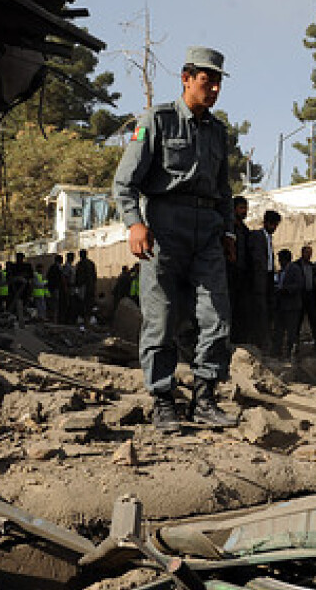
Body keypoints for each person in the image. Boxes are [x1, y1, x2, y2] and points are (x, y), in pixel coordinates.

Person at [112, 45, 238, 433]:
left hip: (208, 231)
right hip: (165, 227)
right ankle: (163, 400)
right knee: (160, 316)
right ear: (186, 79)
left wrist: (229, 229)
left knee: (216, 317)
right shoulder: (158, 120)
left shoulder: (218, 132)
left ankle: (204, 399)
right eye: (206, 80)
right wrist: (134, 223)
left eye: (218, 82)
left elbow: (224, 188)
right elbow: (125, 182)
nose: (214, 88)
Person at [246, 210, 280, 348]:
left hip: (268, 278)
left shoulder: (268, 239)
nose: (274, 228)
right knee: (260, 311)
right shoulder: (257, 236)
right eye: (273, 224)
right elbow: (256, 260)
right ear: (266, 223)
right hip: (259, 281)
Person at [227, 196, 253, 343]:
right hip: (228, 274)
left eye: (246, 209)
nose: (244, 212)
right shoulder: (227, 228)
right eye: (241, 208)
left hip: (241, 276)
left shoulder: (245, 231)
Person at [270, 248, 303, 358]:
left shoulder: (295, 269)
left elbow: (299, 285)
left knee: (292, 332)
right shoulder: (280, 272)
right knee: (278, 331)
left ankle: (291, 353)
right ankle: (277, 352)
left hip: (292, 306)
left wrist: (285, 289)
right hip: (281, 306)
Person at [74, 249, 97, 325]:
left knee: (82, 303)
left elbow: (78, 277)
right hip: (90, 286)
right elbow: (94, 276)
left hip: (83, 286)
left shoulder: (80, 264)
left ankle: (84, 320)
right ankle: (89, 320)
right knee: (89, 303)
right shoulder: (91, 263)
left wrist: (77, 286)